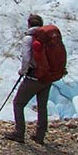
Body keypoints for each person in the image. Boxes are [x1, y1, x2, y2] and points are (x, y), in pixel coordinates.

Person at [6, 13, 52, 144]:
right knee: (42, 106)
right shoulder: (48, 38)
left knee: (18, 103)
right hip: (48, 77)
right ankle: (40, 136)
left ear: (29, 24)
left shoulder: (29, 39)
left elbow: (26, 58)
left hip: (33, 76)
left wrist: (23, 71)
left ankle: (19, 133)